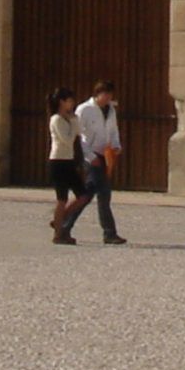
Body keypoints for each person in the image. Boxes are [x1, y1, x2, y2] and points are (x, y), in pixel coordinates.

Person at [72, 79, 126, 245]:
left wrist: (116, 146)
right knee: (90, 193)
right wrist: (89, 156)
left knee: (102, 195)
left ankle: (108, 233)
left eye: (110, 94)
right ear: (97, 94)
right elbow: (78, 135)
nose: (108, 98)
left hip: (105, 155)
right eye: (105, 94)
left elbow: (113, 130)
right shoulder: (84, 109)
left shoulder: (110, 110)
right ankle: (65, 222)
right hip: (91, 156)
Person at [45, 87, 86, 245]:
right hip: (58, 161)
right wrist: (74, 123)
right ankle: (58, 233)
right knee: (61, 198)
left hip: (68, 160)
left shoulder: (69, 119)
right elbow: (67, 139)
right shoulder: (56, 119)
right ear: (62, 102)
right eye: (69, 100)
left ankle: (59, 220)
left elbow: (78, 133)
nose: (72, 103)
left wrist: (74, 121)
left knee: (82, 194)